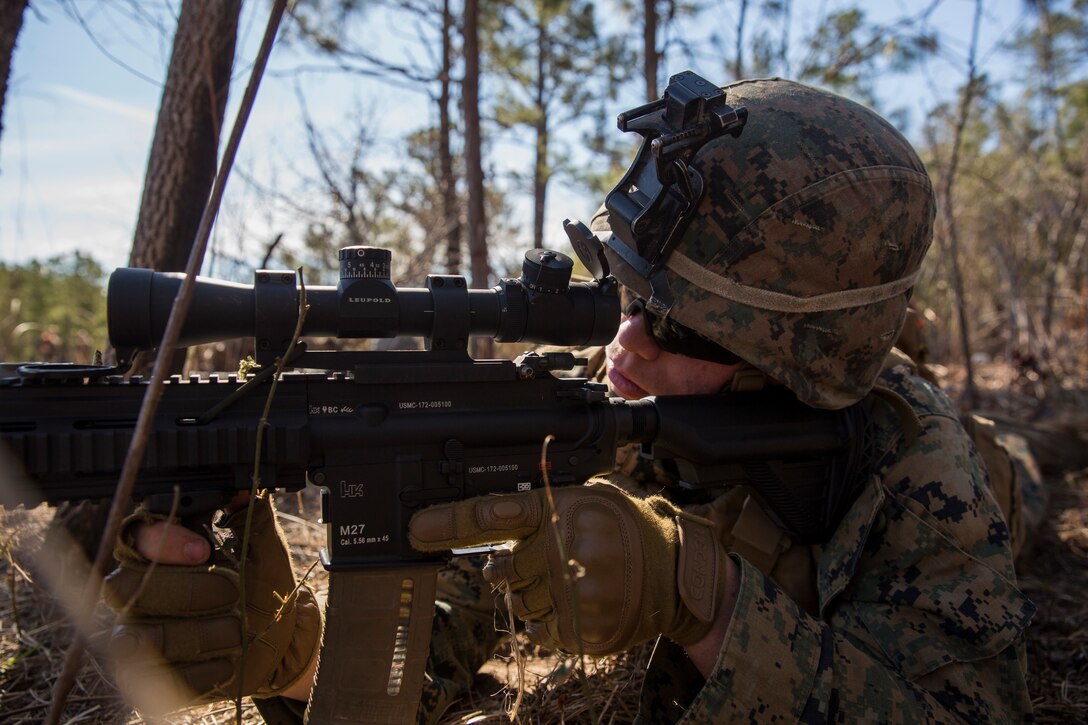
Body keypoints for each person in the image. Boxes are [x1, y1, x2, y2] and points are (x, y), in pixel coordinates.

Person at [104, 77, 1036, 722]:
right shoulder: (585, 396)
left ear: (792, 364)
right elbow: (456, 612)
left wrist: (702, 598)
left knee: (1029, 465)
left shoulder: (913, 463)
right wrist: (300, 660)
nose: (627, 343)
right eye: (627, 299)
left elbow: (957, 705)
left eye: (683, 327)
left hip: (995, 477)